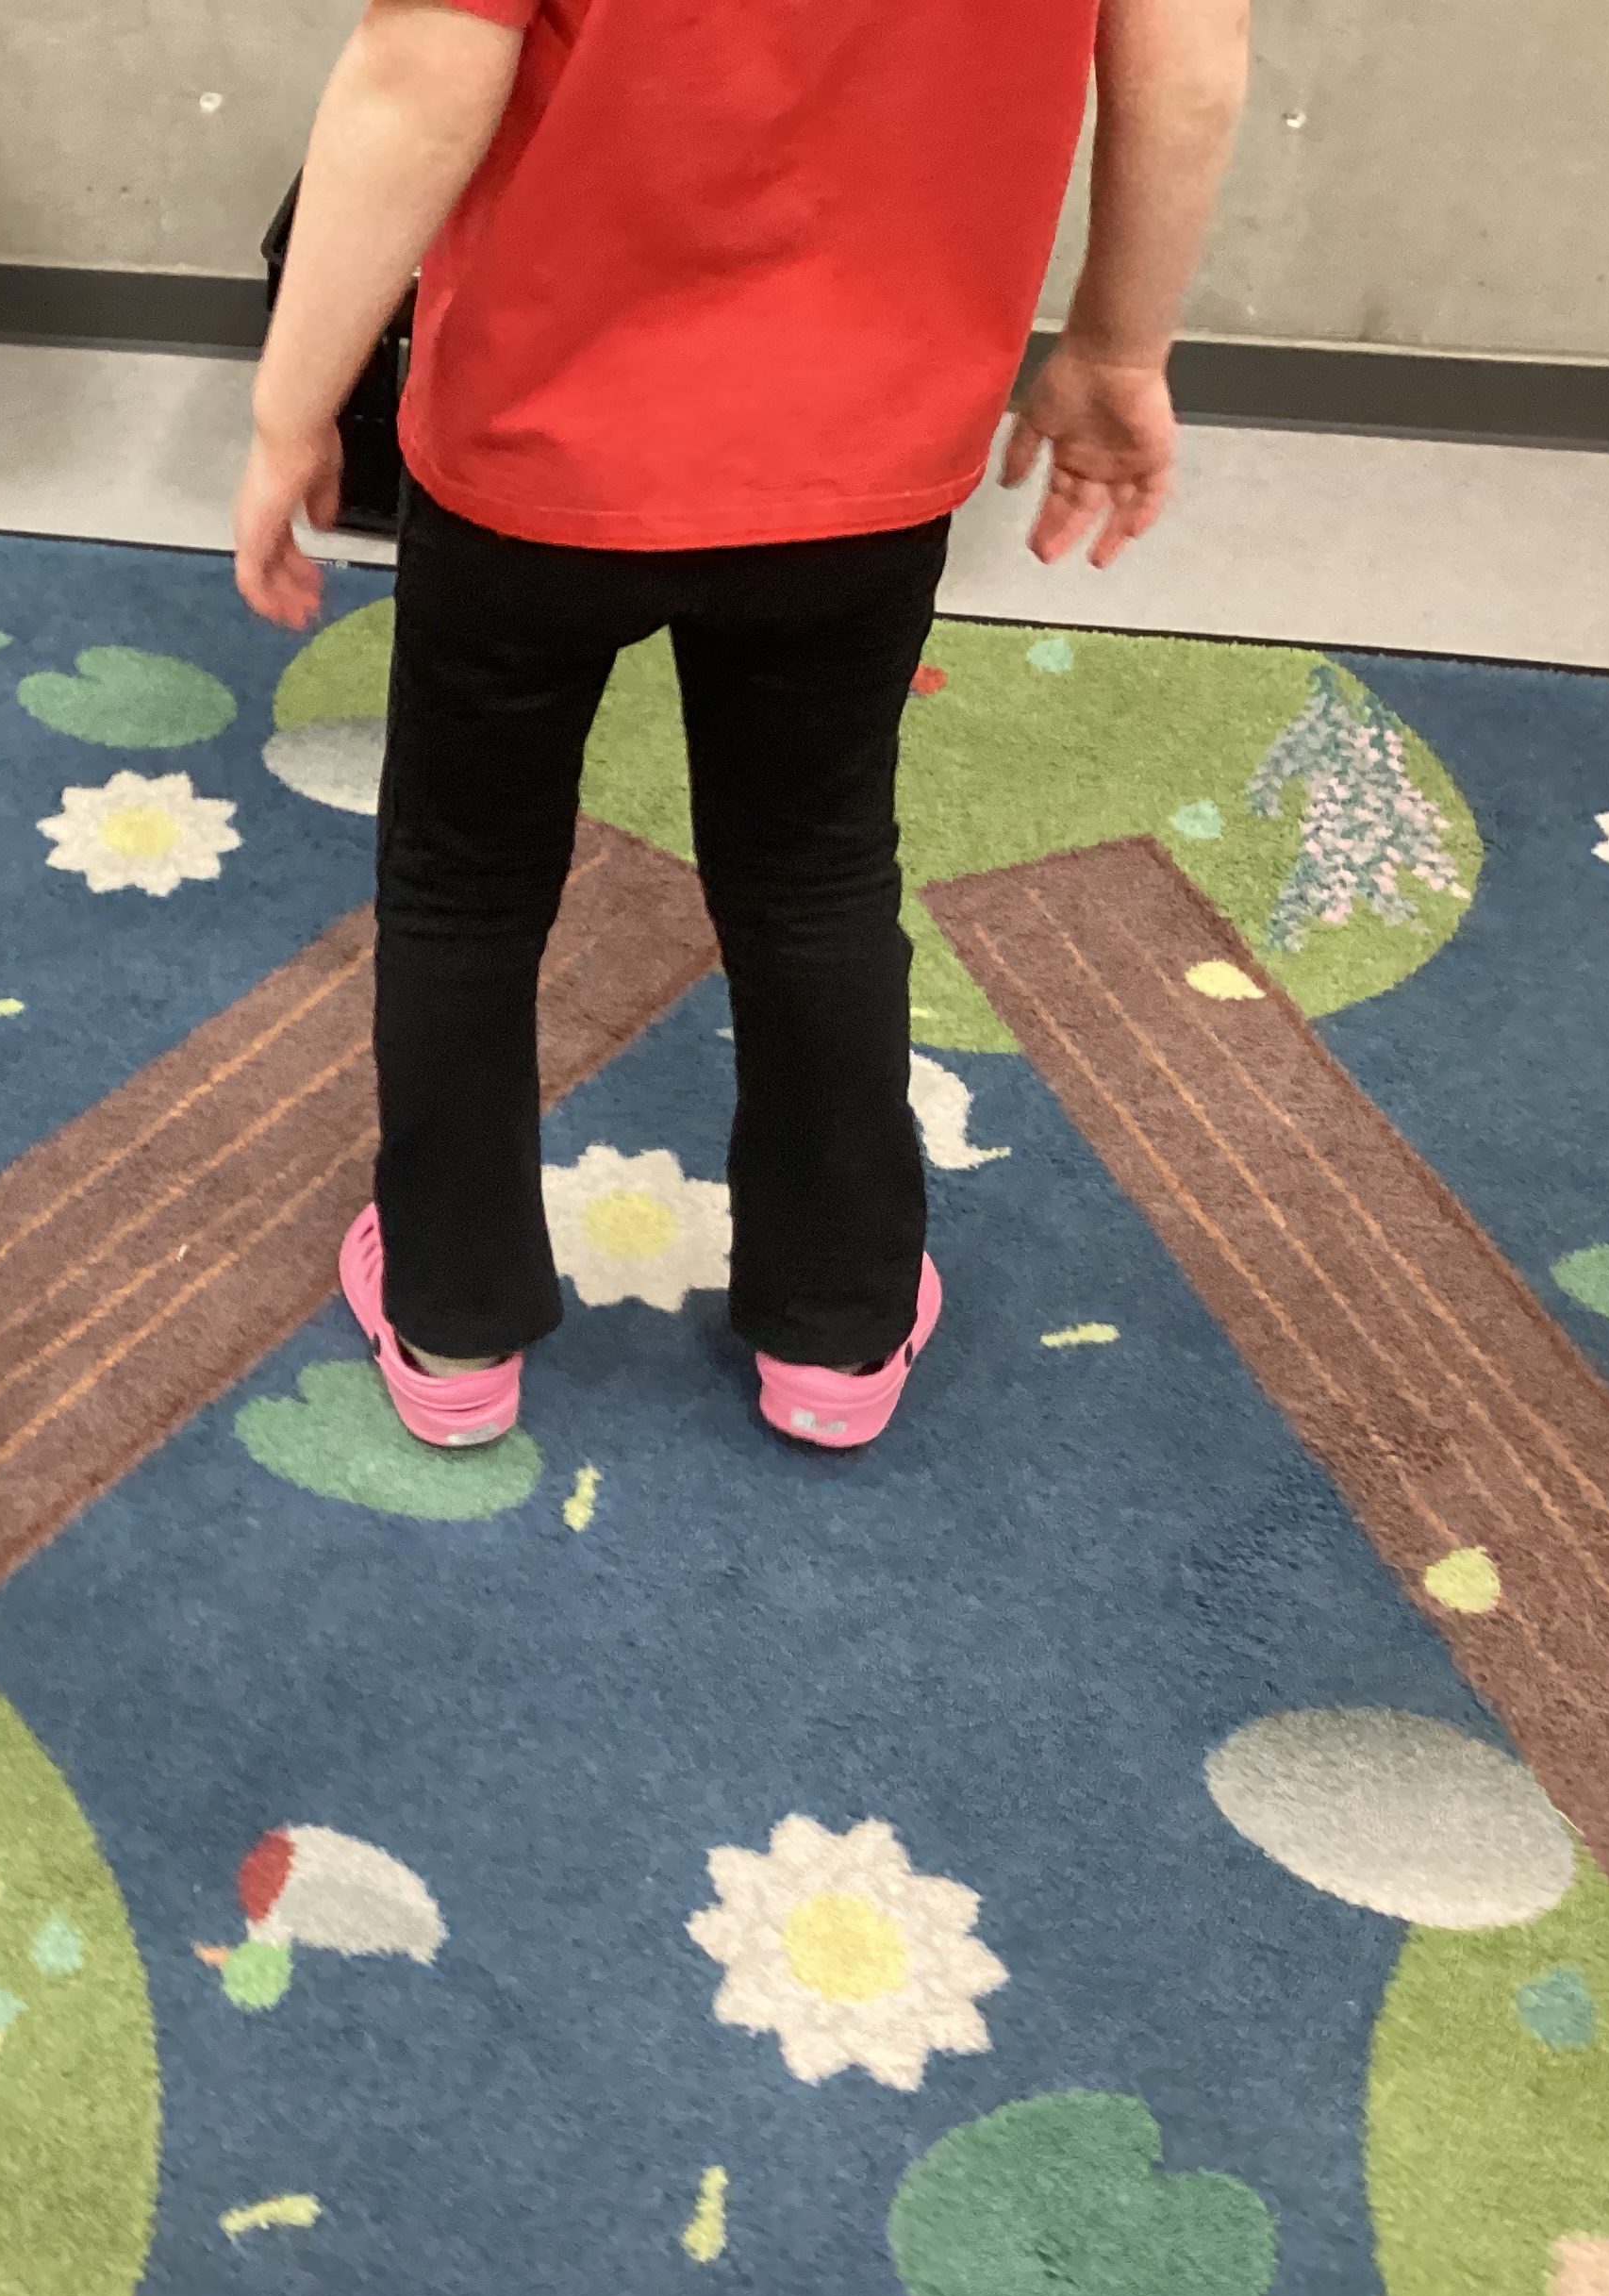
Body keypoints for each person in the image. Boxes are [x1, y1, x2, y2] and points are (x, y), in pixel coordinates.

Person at [238, 0, 1250, 1452]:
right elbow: (1188, 53)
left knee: (465, 884)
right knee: (813, 876)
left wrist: (291, 410)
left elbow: (421, 68)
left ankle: (453, 1321)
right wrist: (1118, 347)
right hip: (871, 443)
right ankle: (838, 1326)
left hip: (536, 433)